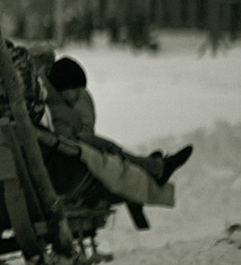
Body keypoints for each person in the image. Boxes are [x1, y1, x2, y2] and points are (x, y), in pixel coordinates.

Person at [44, 57, 192, 187]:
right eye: (75, 90)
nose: (78, 96)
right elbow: (66, 140)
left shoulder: (56, 103)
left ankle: (152, 166)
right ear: (62, 86)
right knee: (112, 155)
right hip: (70, 169)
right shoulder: (56, 109)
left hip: (69, 161)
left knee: (112, 151)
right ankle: (154, 167)